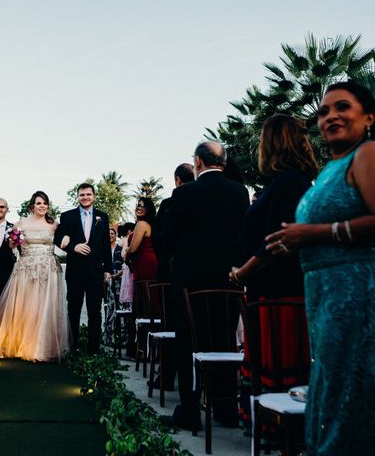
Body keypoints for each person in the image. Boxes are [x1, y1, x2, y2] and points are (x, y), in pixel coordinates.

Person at [266, 81, 375, 455]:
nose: (331, 116)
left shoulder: (368, 154)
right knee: (330, 385)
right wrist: (296, 240)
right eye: (324, 111)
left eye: (342, 107)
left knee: (351, 388)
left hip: (356, 292)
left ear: (369, 117)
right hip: (324, 292)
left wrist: (315, 231)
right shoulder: (331, 168)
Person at [230, 114, 318, 432]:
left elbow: (276, 243)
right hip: (267, 289)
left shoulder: (289, 184)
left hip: (279, 290)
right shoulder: (281, 184)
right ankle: (271, 429)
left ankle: (282, 433)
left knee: (281, 361)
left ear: (273, 142)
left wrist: (242, 273)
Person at [161, 141, 249, 430]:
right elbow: (241, 237)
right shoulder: (239, 192)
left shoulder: (184, 193)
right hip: (226, 282)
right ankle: (224, 407)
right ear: (222, 162)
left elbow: (168, 238)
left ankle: (190, 410)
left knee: (188, 343)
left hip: (190, 282)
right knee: (222, 341)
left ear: (198, 162)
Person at [0, 191, 69, 361]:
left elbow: (64, 237)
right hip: (26, 269)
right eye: (39, 203)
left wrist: (67, 237)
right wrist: (13, 242)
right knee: (25, 306)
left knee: (44, 307)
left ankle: (42, 348)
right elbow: (10, 245)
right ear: (32, 205)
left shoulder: (54, 224)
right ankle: (20, 345)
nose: (42, 206)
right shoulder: (21, 223)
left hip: (48, 270)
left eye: (45, 203)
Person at [55, 183, 112, 354]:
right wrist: (73, 247)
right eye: (82, 195)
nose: (85, 197)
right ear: (77, 197)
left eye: (88, 194)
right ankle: (72, 348)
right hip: (75, 271)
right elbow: (58, 238)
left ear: (94, 196)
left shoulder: (102, 216)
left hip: (95, 272)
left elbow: (105, 245)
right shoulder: (67, 216)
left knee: (95, 311)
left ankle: (93, 350)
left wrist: (107, 269)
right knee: (73, 309)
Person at [153, 163, 194, 281]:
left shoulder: (168, 203)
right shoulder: (203, 200)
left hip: (170, 264)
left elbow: (157, 235)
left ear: (178, 180)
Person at [124, 197, 158, 282]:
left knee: (145, 291)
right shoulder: (149, 225)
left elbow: (133, 249)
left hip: (144, 262)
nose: (140, 208)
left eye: (144, 206)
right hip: (147, 261)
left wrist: (127, 255)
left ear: (149, 210)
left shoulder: (141, 224)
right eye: (139, 205)